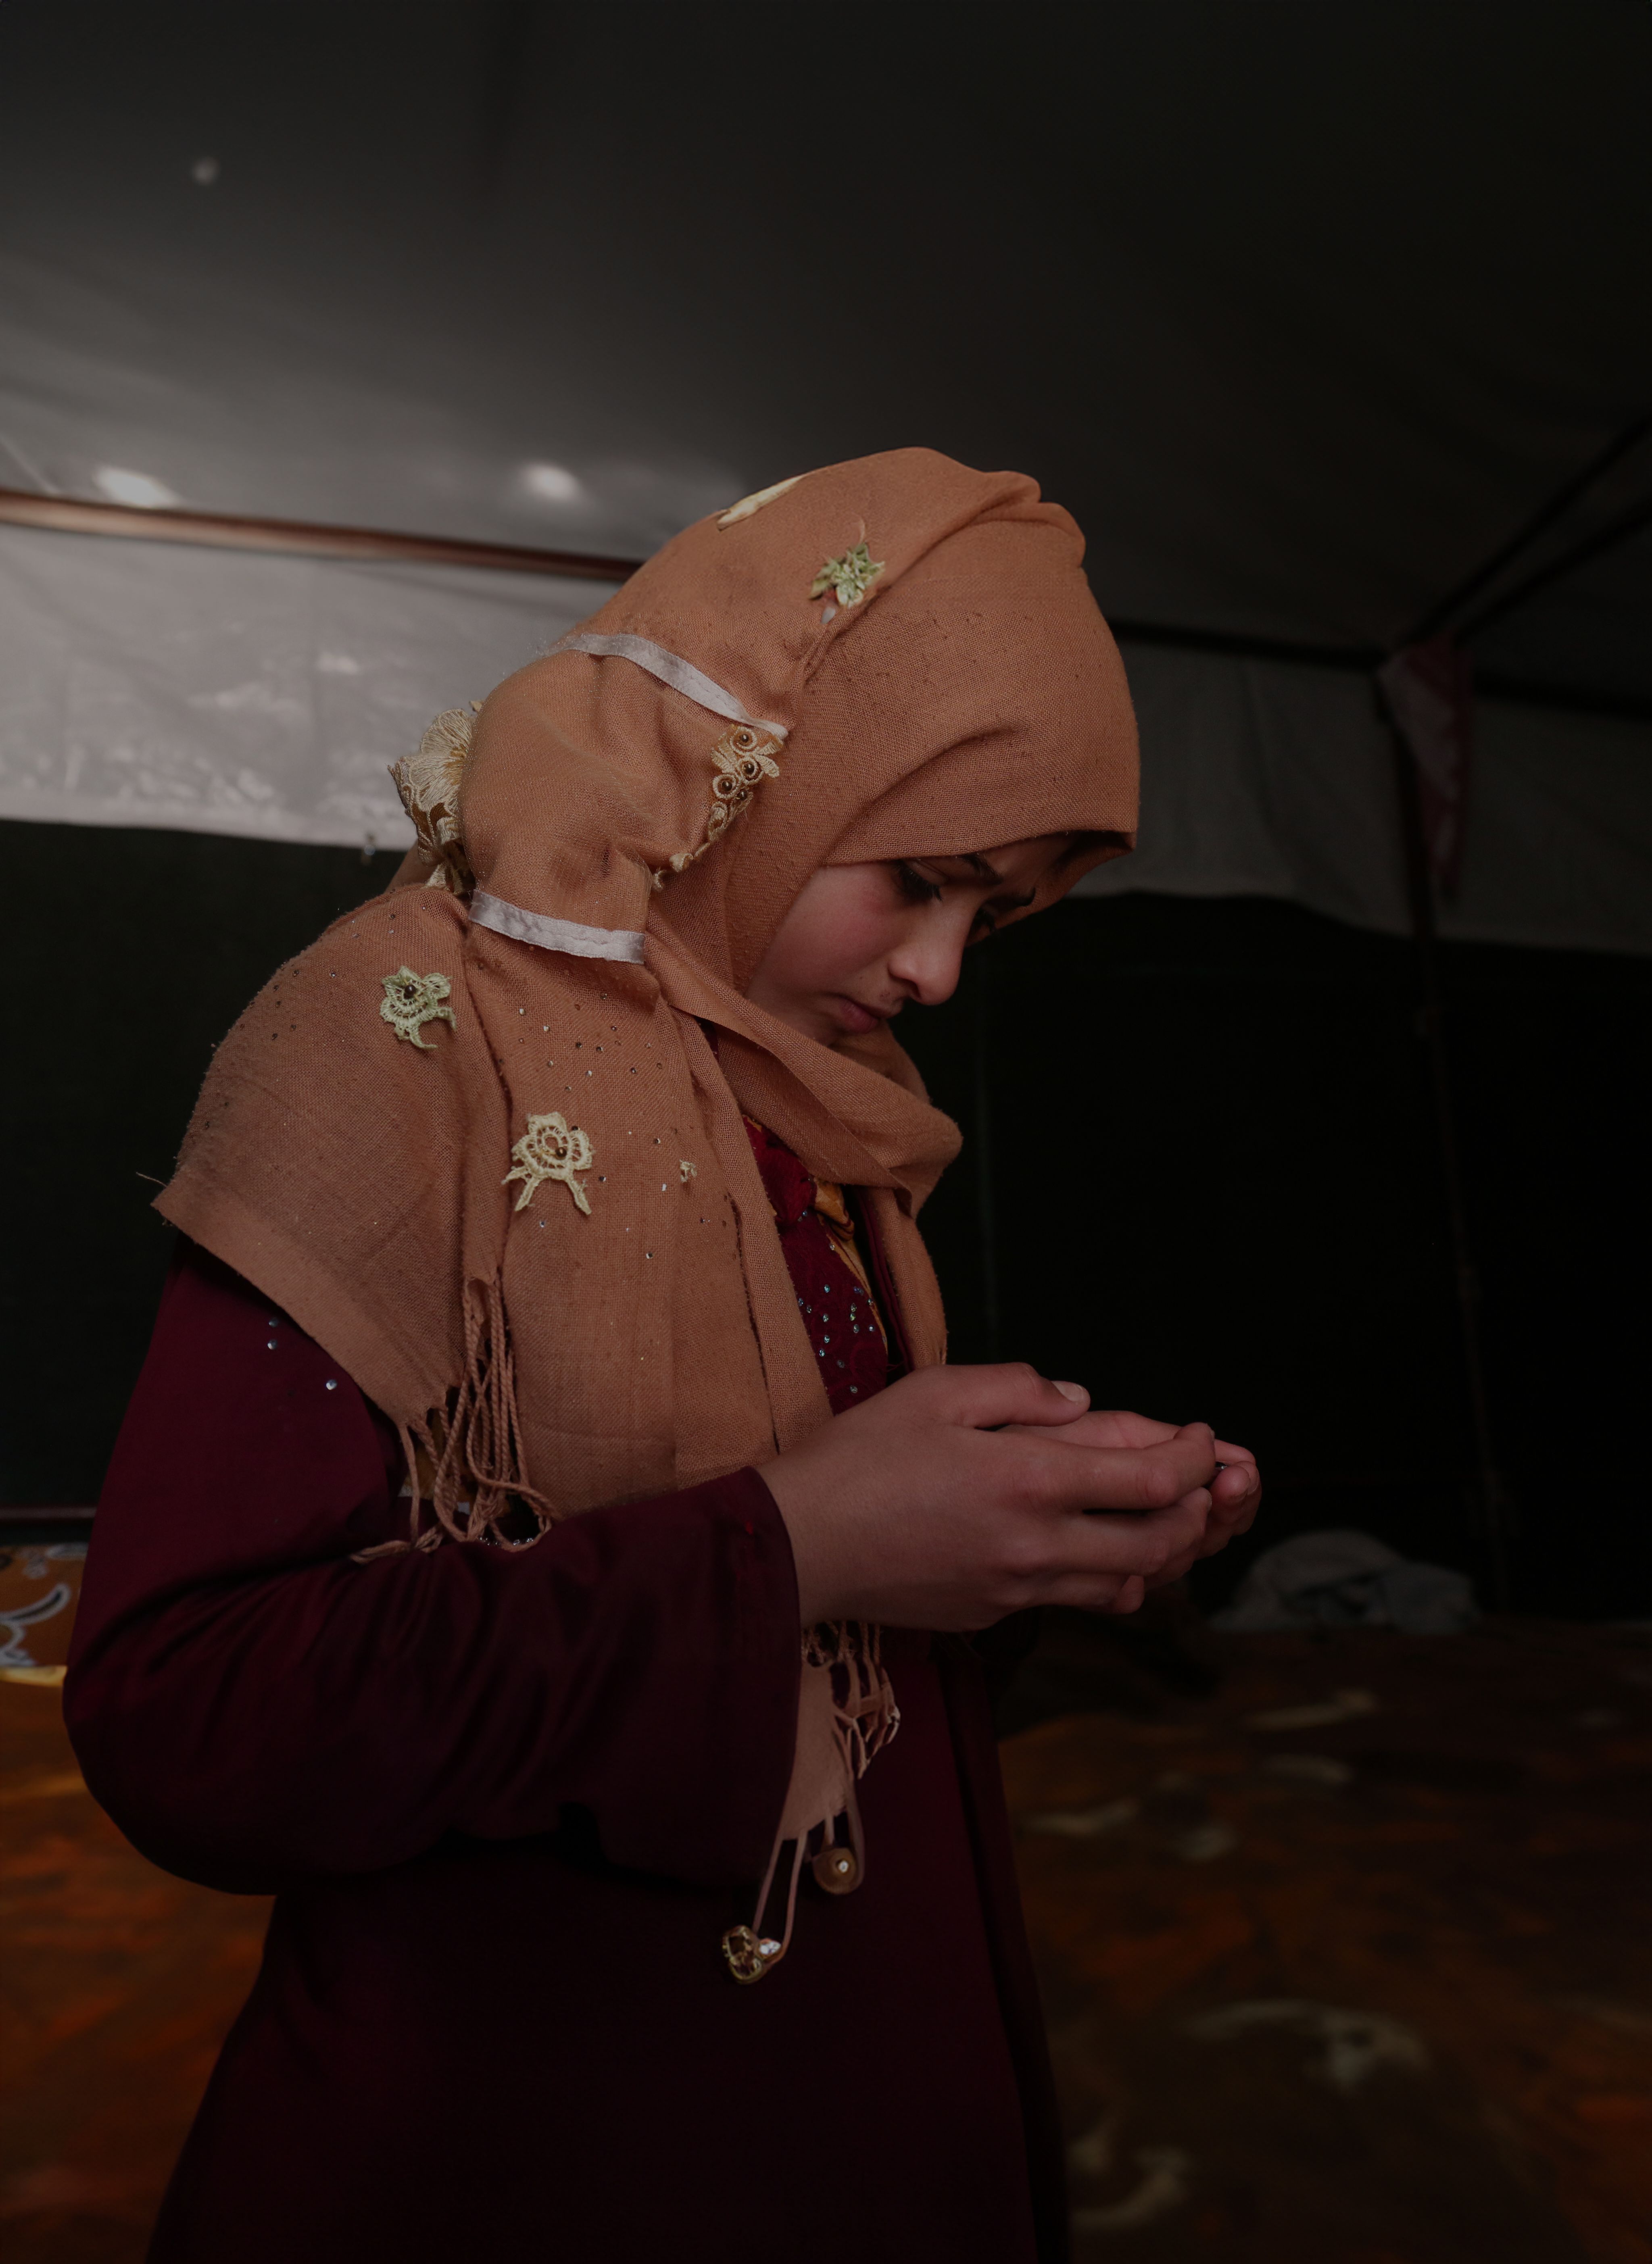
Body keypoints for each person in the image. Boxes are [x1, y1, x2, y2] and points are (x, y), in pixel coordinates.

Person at [65, 449, 1260, 2263]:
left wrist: (1026, 1545)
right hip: (523, 2143)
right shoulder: (396, 1041)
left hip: (854, 2109)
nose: (940, 973)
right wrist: (805, 1543)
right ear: (755, 769)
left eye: (993, 916)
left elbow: (814, 1657)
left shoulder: (815, 1103)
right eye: (922, 880)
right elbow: (198, 1717)